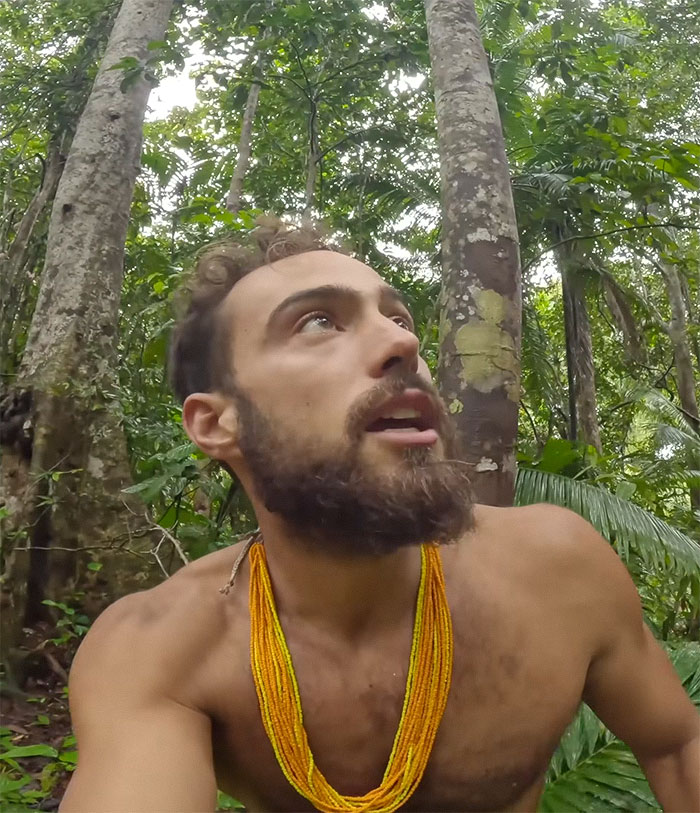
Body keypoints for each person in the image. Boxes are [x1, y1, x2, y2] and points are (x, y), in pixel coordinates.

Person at [61, 219, 699, 813]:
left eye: (399, 317)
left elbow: (676, 746)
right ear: (217, 422)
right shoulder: (158, 650)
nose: (404, 341)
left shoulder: (557, 568)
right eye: (317, 323)